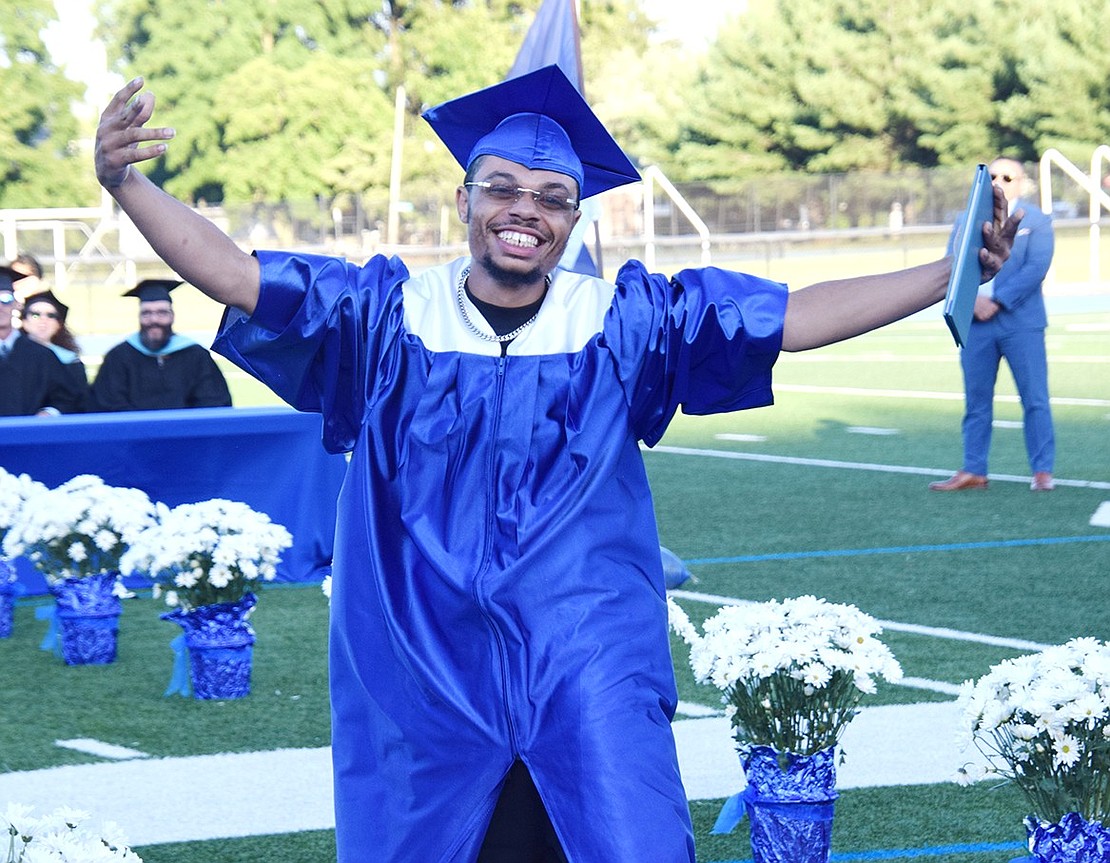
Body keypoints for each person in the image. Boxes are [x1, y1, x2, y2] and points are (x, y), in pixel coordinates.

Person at [94, 68, 1019, 863]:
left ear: (573, 218)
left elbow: (794, 317)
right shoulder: (386, 315)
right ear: (463, 198)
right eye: (500, 188)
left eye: (550, 198)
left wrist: (944, 274)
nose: (523, 213)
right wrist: (127, 187)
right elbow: (236, 273)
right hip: (422, 650)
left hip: (584, 649)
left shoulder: (622, 322)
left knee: (618, 831)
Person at [929, 156, 1055, 492]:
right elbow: (952, 263)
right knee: (977, 400)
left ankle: (1042, 471)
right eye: (994, 176)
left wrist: (998, 301)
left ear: (1021, 182)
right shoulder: (965, 220)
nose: (1000, 181)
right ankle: (974, 469)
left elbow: (1036, 268)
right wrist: (975, 302)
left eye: (1008, 177)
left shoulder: (1037, 220)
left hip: (1020, 323)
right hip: (977, 323)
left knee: (1035, 398)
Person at [90, 278, 232, 411]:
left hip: (185, 434)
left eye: (162, 313)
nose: (154, 320)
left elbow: (214, 402)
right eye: (147, 313)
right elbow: (106, 405)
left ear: (172, 316)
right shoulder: (118, 357)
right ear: (139, 317)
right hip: (134, 435)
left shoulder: (196, 356)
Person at [0, 267, 87, 417]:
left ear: (16, 304)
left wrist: (48, 413)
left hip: (31, 436)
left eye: (5, 299)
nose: (0, 307)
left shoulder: (42, 355)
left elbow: (67, 398)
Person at [19, 290, 90, 411]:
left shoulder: (70, 361)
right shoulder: (9, 356)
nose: (43, 320)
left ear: (59, 325)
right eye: (35, 315)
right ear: (24, 321)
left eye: (51, 315)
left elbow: (79, 401)